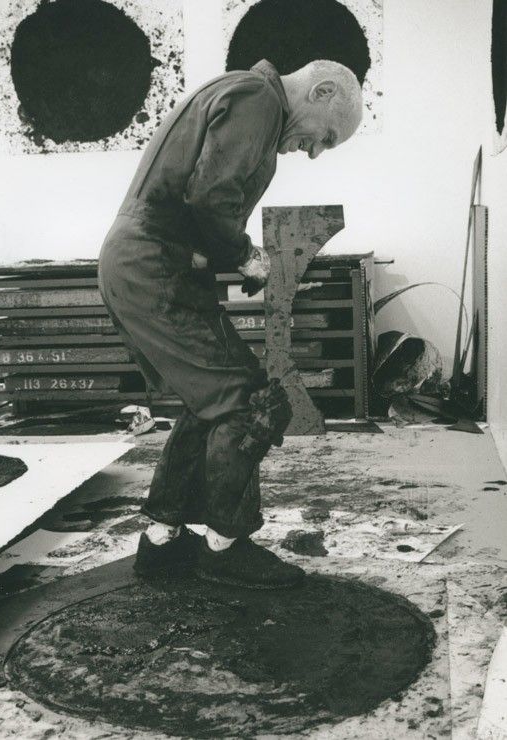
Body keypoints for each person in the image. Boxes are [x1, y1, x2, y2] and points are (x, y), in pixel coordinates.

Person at [98, 58, 362, 589]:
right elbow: (209, 195)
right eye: (325, 137)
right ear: (322, 90)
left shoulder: (238, 94)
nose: (312, 151)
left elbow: (191, 196)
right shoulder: (259, 100)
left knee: (210, 401)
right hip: (152, 264)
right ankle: (226, 547)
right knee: (252, 402)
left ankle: (161, 542)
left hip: (145, 262)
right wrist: (246, 254)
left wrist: (217, 255)